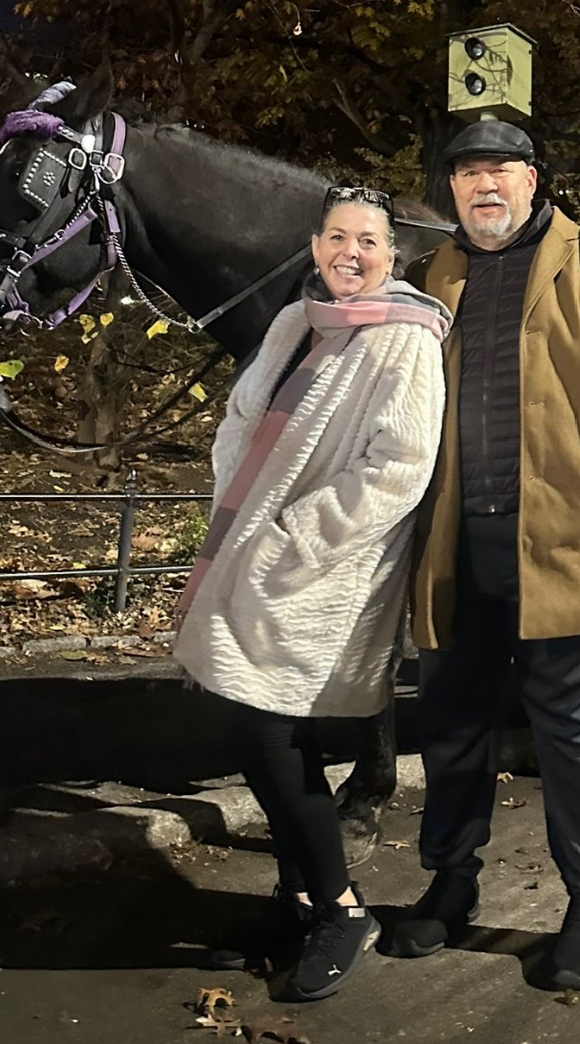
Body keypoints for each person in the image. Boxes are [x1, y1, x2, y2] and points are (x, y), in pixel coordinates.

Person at [384, 121, 580, 990]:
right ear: (450, 188)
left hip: (562, 537)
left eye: (500, 169)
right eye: (467, 171)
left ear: (531, 180)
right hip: (453, 543)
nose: (484, 184)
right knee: (451, 726)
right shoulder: (431, 274)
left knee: (579, 735)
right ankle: (450, 882)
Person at [173, 185, 450, 1002]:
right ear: (316, 242)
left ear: (391, 255)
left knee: (264, 731)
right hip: (250, 548)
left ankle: (340, 906)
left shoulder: (406, 338)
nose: (350, 254)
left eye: (368, 241)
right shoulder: (297, 319)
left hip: (321, 569)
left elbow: (400, 465)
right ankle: (298, 898)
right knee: (257, 723)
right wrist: (238, 493)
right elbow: (242, 412)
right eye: (337, 237)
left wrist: (294, 535)